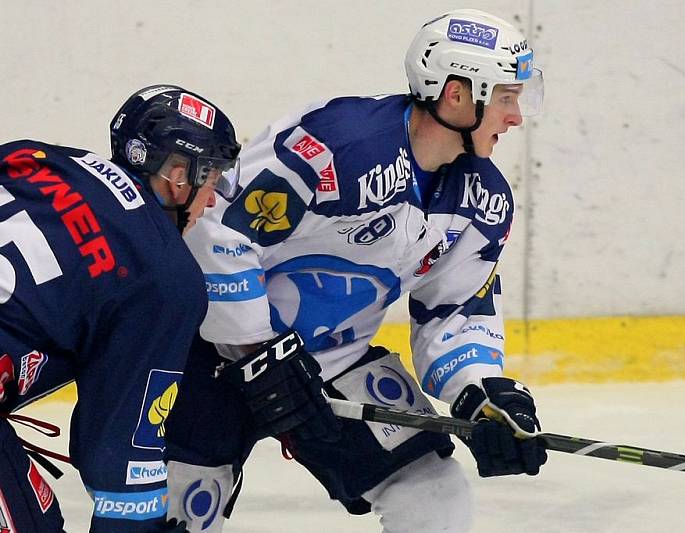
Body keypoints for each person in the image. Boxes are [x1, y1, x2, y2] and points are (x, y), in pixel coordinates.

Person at [165, 9, 547, 532]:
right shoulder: (338, 145)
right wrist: (259, 352)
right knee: (180, 515)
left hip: (330, 360)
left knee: (433, 491)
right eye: (506, 97)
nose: (516, 117)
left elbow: (453, 311)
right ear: (457, 95)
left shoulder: (482, 201)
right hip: (211, 352)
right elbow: (220, 229)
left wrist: (481, 392)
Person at [0, 84, 241, 532]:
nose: (211, 201)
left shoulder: (38, 158)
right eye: (211, 178)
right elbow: (120, 459)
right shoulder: (164, 275)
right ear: (177, 173)